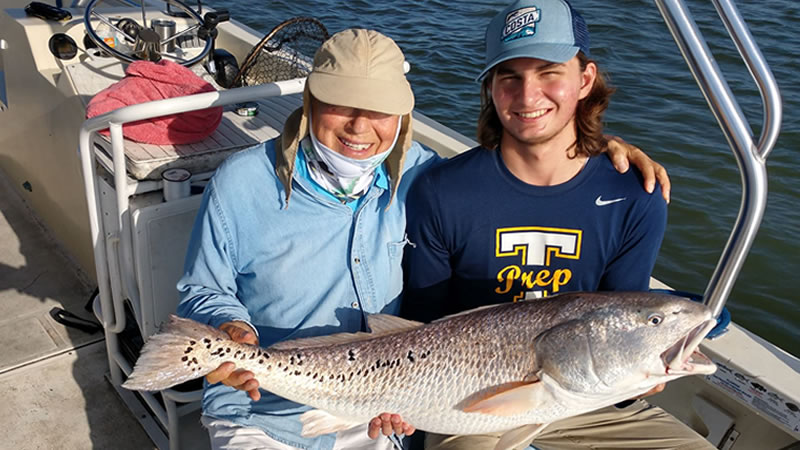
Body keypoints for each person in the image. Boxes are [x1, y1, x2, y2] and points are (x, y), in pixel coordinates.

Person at [177, 27, 672, 450]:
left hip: (378, 408)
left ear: (403, 117)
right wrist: (231, 331)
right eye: (339, 104)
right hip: (259, 407)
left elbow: (525, 162)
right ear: (310, 101)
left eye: (379, 111)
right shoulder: (242, 181)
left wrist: (597, 148)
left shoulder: (424, 177)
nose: (359, 127)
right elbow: (203, 289)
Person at [399, 1, 716, 449]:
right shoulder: (441, 191)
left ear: (585, 79)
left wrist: (641, 371)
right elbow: (421, 324)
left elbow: (623, 312)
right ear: (490, 88)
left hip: (586, 401)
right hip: (467, 399)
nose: (528, 97)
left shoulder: (635, 195)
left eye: (549, 72)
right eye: (509, 77)